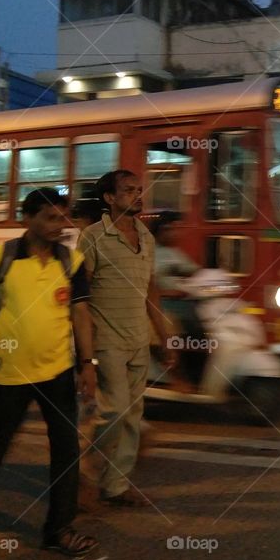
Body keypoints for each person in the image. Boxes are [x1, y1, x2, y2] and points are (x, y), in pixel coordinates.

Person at [0, 188, 98, 557]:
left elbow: (80, 314)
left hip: (57, 371)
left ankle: (58, 530)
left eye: (63, 218)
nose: (59, 226)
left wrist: (87, 363)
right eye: (50, 217)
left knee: (66, 450)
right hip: (6, 373)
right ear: (27, 219)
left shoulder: (71, 261)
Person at [78, 170, 174, 508]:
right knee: (114, 411)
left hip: (138, 338)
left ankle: (116, 485)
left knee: (133, 415)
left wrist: (163, 334)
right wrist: (84, 352)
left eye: (138, 189)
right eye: (128, 190)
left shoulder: (145, 236)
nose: (137, 195)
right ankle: (86, 470)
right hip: (106, 338)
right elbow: (81, 296)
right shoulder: (91, 237)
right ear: (109, 198)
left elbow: (151, 289)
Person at [153, 212, 205, 384]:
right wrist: (168, 292)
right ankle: (180, 376)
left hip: (183, 301)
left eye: (177, 229)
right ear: (160, 231)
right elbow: (146, 285)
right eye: (170, 229)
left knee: (204, 330)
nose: (174, 233)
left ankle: (198, 377)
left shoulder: (175, 252)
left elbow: (193, 270)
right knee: (187, 333)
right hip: (163, 304)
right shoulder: (151, 252)